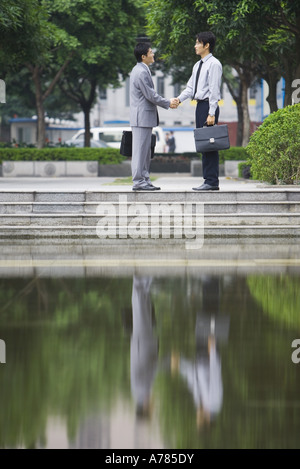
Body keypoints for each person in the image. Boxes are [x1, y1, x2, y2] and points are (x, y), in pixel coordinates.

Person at [130, 42, 179, 191]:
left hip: (143, 117)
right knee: (140, 151)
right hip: (141, 118)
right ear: (143, 56)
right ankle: (139, 182)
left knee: (145, 151)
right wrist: (168, 102)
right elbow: (150, 94)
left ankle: (144, 179)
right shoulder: (141, 72)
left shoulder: (141, 69)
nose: (153, 54)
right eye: (151, 52)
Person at [177, 31, 222, 191]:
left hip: (209, 106)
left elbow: (214, 90)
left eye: (197, 43)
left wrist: (211, 113)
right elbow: (190, 88)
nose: (195, 46)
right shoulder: (198, 65)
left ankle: (212, 181)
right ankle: (207, 180)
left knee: (210, 144)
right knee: (203, 144)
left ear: (206, 45)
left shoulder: (214, 64)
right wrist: (178, 100)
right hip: (200, 106)